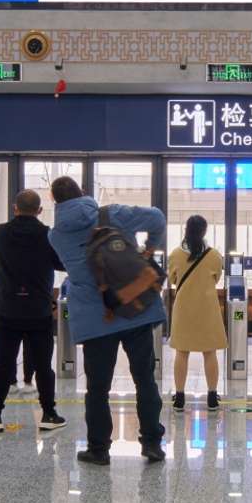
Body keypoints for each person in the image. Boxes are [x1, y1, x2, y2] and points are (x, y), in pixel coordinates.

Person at [47, 176, 168, 466]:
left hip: (95, 318)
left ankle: (99, 449)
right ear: (83, 192)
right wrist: (149, 249)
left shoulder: (56, 236)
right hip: (135, 307)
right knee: (145, 379)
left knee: (97, 388)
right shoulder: (112, 214)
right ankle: (152, 443)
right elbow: (157, 218)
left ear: (54, 201)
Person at [0, 190, 67, 434]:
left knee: (3, 366)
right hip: (39, 309)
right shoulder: (48, 234)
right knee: (43, 366)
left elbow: (0, 254)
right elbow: (60, 263)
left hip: (8, 309)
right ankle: (49, 414)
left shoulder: (1, 232)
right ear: (39, 210)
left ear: (15, 208)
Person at [168, 215, 226, 412]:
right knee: (209, 352)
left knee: (181, 352)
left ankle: (179, 398)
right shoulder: (214, 255)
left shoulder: (175, 254)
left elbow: (173, 279)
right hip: (207, 308)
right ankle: (212, 397)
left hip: (183, 308)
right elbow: (216, 278)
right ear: (204, 231)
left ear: (186, 229)